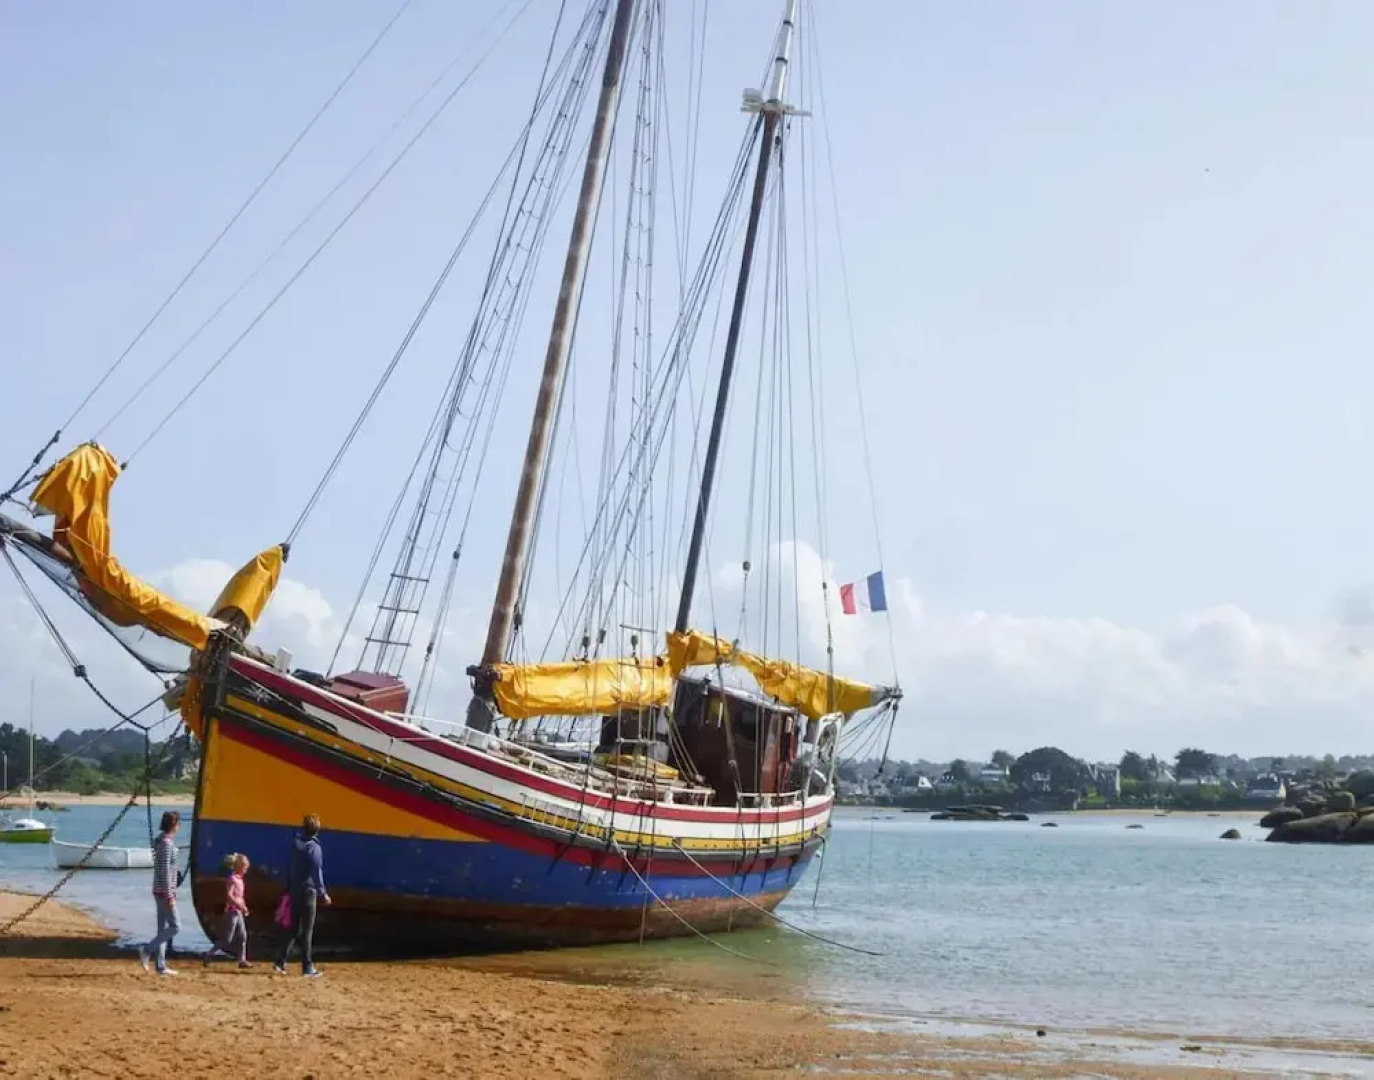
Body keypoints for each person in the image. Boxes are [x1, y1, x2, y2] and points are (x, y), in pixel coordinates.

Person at [273, 813, 330, 978]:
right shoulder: (315, 848)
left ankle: (280, 961)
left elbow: (290, 868)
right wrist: (324, 893)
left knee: (293, 928)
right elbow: (316, 872)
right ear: (317, 830)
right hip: (308, 892)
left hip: (295, 890)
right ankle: (307, 967)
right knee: (307, 931)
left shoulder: (295, 845)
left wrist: (288, 888)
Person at [138, 811, 182, 976]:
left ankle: (160, 965)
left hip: (160, 890)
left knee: (162, 928)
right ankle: (147, 950)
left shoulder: (162, 841)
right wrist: (169, 894)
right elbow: (164, 870)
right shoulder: (166, 844)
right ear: (174, 825)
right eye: (177, 824)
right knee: (176, 926)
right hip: (164, 892)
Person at [203, 853, 252, 969]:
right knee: (227, 939)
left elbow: (241, 897)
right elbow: (229, 895)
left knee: (243, 936)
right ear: (239, 868)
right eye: (244, 869)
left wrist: (244, 907)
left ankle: (242, 959)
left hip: (238, 911)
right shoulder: (232, 880)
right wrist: (239, 904)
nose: (245, 871)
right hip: (232, 912)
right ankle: (209, 954)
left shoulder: (240, 880)